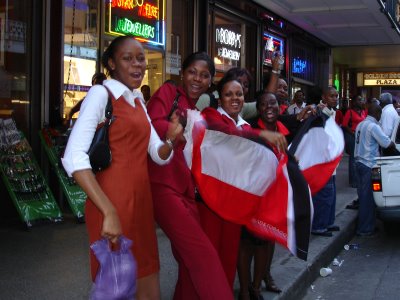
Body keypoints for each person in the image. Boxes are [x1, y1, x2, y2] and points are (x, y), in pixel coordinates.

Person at [62, 36, 182, 300]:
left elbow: (158, 154)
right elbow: (73, 157)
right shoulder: (100, 94)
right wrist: (109, 211)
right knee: (116, 287)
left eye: (140, 58)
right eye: (128, 58)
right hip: (111, 204)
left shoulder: (138, 100)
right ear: (112, 63)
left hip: (141, 206)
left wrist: (172, 138)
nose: (137, 64)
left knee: (148, 281)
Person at [146, 52, 235, 300]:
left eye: (205, 75)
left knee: (188, 260)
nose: (198, 78)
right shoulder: (168, 93)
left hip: (186, 190)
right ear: (183, 73)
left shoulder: (197, 110)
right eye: (193, 72)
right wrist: (176, 134)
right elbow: (152, 123)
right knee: (202, 255)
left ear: (210, 81)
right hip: (162, 185)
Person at [197, 76, 287, 295]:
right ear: (220, 98)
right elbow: (230, 135)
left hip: (234, 203)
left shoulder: (246, 125)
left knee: (229, 256)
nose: (235, 98)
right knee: (209, 258)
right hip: (211, 202)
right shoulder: (211, 116)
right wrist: (262, 134)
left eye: (239, 94)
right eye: (229, 94)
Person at [354, 102, 397, 236]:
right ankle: (365, 229)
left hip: (359, 163)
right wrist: (394, 146)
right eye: (380, 114)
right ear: (377, 113)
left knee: (363, 197)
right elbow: (386, 143)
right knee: (367, 198)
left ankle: (367, 226)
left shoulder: (361, 124)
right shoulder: (373, 126)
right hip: (368, 164)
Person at [311, 86, 341, 237]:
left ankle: (328, 222)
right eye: (331, 96)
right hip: (322, 161)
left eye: (336, 96)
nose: (335, 98)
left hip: (332, 161)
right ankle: (319, 226)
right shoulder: (319, 113)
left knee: (331, 193)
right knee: (324, 194)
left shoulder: (332, 112)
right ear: (323, 97)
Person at [342, 95, 367, 188]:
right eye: (359, 100)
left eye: (362, 100)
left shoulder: (363, 111)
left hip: (361, 137)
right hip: (352, 137)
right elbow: (344, 125)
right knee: (353, 158)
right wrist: (353, 133)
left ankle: (358, 179)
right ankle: (353, 181)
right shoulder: (350, 112)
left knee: (359, 158)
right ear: (355, 102)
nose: (361, 101)